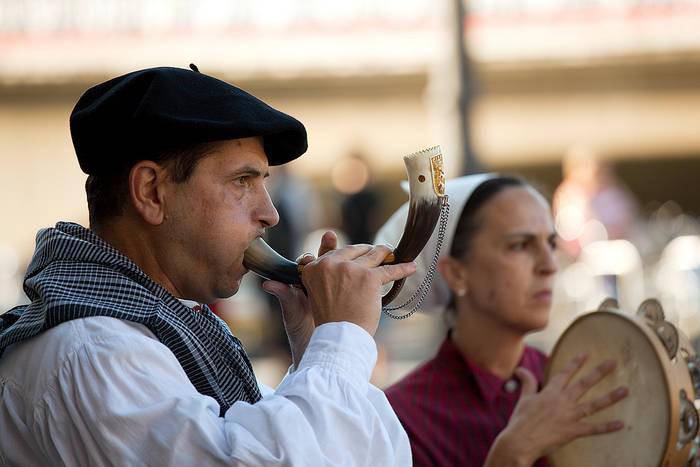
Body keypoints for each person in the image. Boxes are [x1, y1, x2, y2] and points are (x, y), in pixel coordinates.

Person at [0, 66, 416, 465]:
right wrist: (340, 341)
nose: (270, 213)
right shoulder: (95, 349)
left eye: (264, 184)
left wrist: (315, 348)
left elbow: (375, 456)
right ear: (151, 192)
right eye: (241, 182)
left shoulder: (159, 327)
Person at [376, 174, 628, 467]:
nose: (549, 266)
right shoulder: (402, 420)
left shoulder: (575, 384)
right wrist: (512, 455)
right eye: (520, 245)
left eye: (551, 244)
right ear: (457, 273)